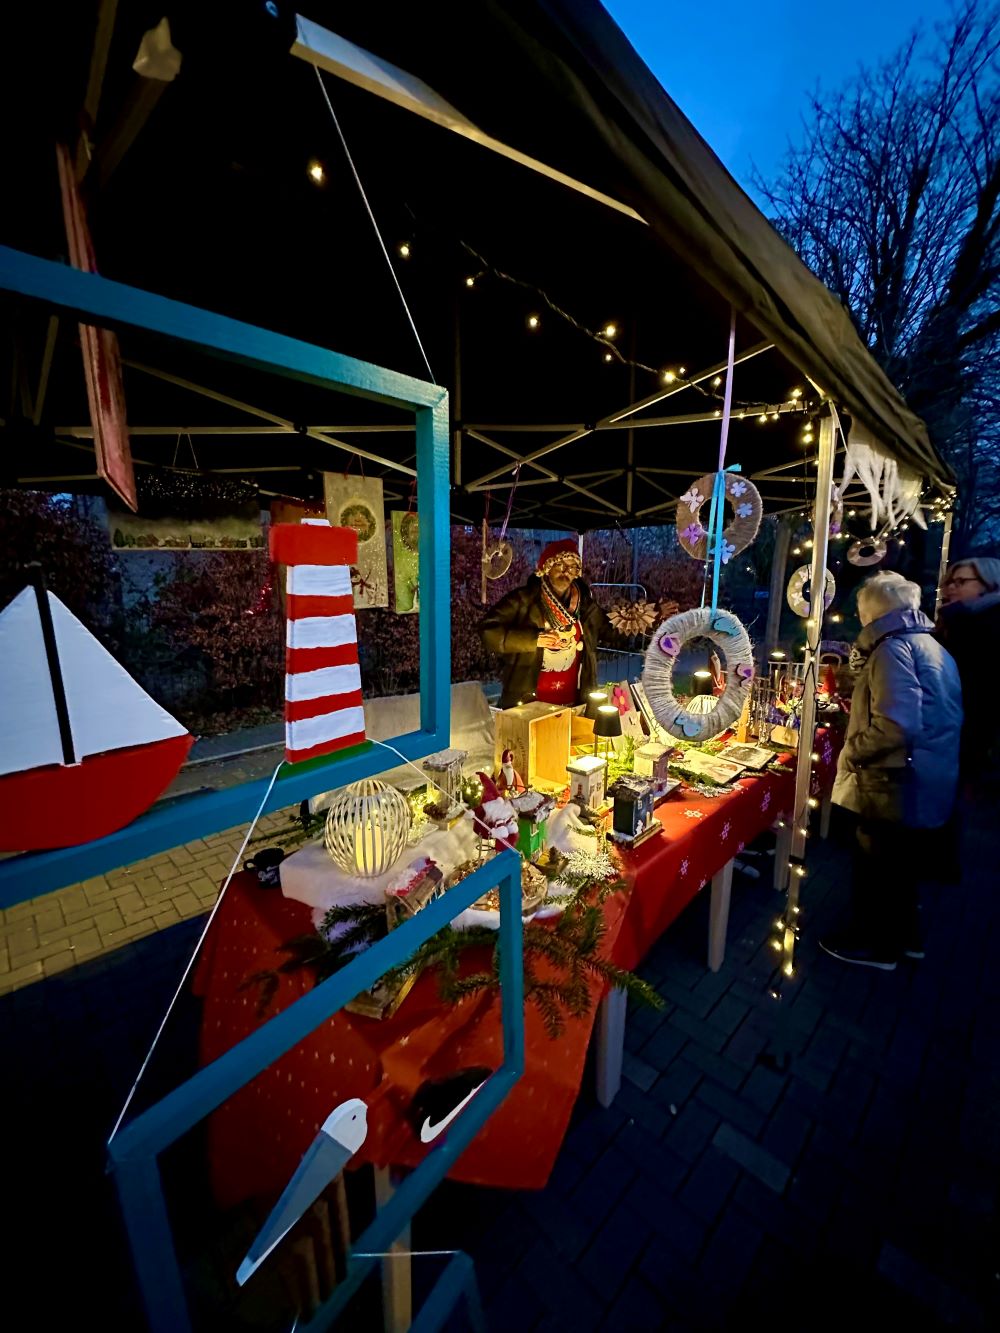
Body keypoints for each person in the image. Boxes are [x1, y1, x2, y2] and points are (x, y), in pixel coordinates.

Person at [821, 574, 963, 971]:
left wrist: (852, 754)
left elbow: (897, 724)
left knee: (878, 865)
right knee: (900, 868)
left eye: (862, 612)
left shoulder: (892, 650)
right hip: (925, 775)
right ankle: (907, 938)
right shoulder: (930, 646)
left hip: (893, 780)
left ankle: (875, 946)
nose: (860, 619)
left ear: (874, 612)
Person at [480, 538, 616, 709]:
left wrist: (634, 618)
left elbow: (611, 631)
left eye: (572, 567)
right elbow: (488, 631)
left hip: (575, 704)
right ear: (546, 567)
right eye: (561, 565)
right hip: (527, 705)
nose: (566, 572)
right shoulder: (524, 600)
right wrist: (534, 639)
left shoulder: (585, 605)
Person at [935, 556, 1000, 788]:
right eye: (950, 582)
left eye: (961, 582)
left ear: (989, 584)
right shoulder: (957, 620)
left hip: (976, 738)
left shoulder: (986, 625)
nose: (951, 587)